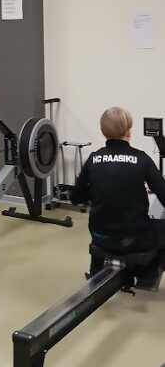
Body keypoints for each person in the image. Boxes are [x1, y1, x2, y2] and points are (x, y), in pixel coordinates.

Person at [71, 106, 165, 279]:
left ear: (103, 132)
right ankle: (147, 272)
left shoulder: (93, 159)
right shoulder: (142, 159)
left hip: (100, 237)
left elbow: (76, 198)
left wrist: (99, 189)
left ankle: (96, 271)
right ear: (128, 131)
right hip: (131, 240)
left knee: (104, 222)